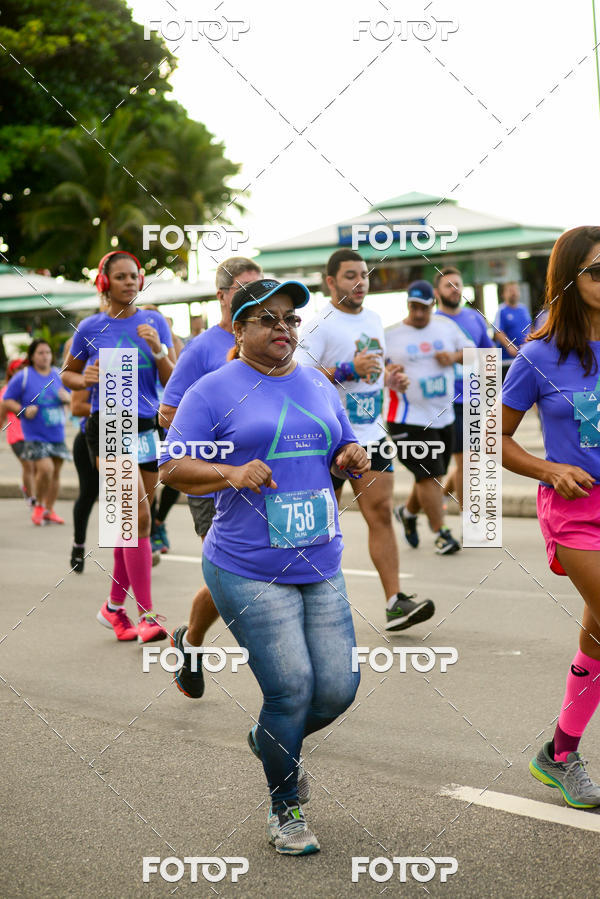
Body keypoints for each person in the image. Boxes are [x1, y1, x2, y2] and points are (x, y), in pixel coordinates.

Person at [159, 277, 368, 854]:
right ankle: (285, 806)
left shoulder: (318, 383)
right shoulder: (212, 390)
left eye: (291, 320)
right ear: (239, 328)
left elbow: (341, 448)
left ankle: (271, 740)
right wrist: (229, 472)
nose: (283, 329)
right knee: (291, 688)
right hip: (247, 564)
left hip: (320, 556)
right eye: (268, 319)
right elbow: (172, 468)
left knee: (339, 689)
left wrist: (351, 456)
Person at [502, 225, 600, 808]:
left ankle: (559, 754)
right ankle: (561, 755)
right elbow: (495, 439)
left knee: (597, 637)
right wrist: (548, 470)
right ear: (569, 279)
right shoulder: (539, 355)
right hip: (575, 511)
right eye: (595, 271)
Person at [295, 249, 434, 632]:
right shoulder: (319, 323)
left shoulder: (374, 318)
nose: (360, 283)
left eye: (364, 275)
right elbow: (299, 376)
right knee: (320, 523)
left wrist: (390, 378)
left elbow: (372, 371)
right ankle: (311, 601)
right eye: (350, 276)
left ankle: (395, 602)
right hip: (326, 437)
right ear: (330, 282)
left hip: (370, 434)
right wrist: (345, 368)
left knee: (381, 512)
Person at [158, 256, 262, 697]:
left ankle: (191, 640)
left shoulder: (277, 341)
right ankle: (194, 643)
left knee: (258, 569)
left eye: (264, 289)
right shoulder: (202, 349)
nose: (259, 298)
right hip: (214, 477)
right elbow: (167, 413)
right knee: (228, 572)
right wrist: (219, 448)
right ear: (222, 295)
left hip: (264, 476)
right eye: (246, 289)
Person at [62, 250, 175, 643]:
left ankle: (112, 608)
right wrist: (85, 377)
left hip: (147, 427)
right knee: (136, 520)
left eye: (135, 276)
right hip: (108, 424)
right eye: (122, 277)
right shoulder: (90, 327)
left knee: (130, 526)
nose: (130, 282)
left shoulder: (154, 321)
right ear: (105, 284)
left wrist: (159, 348)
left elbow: (171, 378)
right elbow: (68, 376)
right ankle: (147, 616)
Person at [386, 280, 468, 554]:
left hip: (443, 416)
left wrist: (455, 356)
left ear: (433, 304)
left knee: (431, 475)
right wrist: (390, 375)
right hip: (407, 418)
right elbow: (373, 372)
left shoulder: (446, 327)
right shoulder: (391, 335)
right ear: (407, 304)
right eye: (413, 307)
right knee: (430, 476)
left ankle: (408, 514)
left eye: (424, 307)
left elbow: (475, 355)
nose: (419, 313)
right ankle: (442, 534)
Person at [434, 267, 496, 510]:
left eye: (458, 284)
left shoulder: (474, 317)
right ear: (438, 291)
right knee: (467, 461)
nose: (454, 289)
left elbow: (489, 353)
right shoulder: (433, 323)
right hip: (446, 402)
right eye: (449, 285)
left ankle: (416, 507)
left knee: (467, 460)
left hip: (475, 398)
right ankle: (470, 519)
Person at [3, 339, 71, 525]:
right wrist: (22, 410)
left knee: (56, 473)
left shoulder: (59, 375)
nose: (45, 356)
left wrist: (68, 398)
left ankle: (49, 509)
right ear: (32, 356)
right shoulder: (23, 376)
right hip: (35, 435)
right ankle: (39, 506)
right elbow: (7, 399)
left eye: (48, 352)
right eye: (40, 353)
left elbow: (73, 398)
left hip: (57, 434)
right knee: (46, 469)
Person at [69, 357, 100, 573]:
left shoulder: (138, 357)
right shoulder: (91, 362)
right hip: (90, 440)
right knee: (89, 494)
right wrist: (115, 408)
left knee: (132, 497)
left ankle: (139, 547)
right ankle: (78, 545)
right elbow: (77, 406)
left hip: (128, 437)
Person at [0, 358, 35, 506]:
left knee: (37, 467)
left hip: (34, 435)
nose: (22, 371)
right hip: (16, 436)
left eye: (24, 368)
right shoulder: (6, 391)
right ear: (12, 371)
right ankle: (33, 499)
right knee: (28, 465)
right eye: (19, 368)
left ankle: (28, 489)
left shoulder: (31, 387)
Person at [494, 282, 532, 382]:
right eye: (510, 290)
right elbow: (498, 332)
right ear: (503, 294)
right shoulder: (501, 310)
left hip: (524, 358)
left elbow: (530, 328)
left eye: (515, 290)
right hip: (507, 361)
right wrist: (510, 346)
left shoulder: (524, 309)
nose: (514, 293)